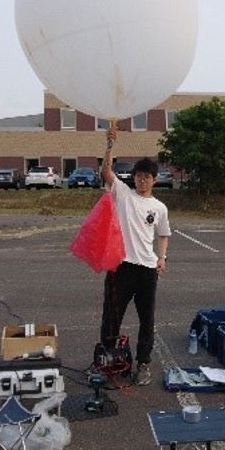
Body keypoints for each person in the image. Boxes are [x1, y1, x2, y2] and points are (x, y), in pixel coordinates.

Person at [99, 127, 171, 386]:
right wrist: (110, 146)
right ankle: (107, 363)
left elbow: (163, 234)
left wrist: (162, 258)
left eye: (147, 177)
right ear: (134, 178)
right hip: (121, 266)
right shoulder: (123, 194)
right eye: (139, 176)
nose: (142, 180)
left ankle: (143, 364)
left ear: (154, 179)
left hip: (147, 270)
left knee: (146, 320)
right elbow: (106, 173)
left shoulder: (159, 207)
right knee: (112, 317)